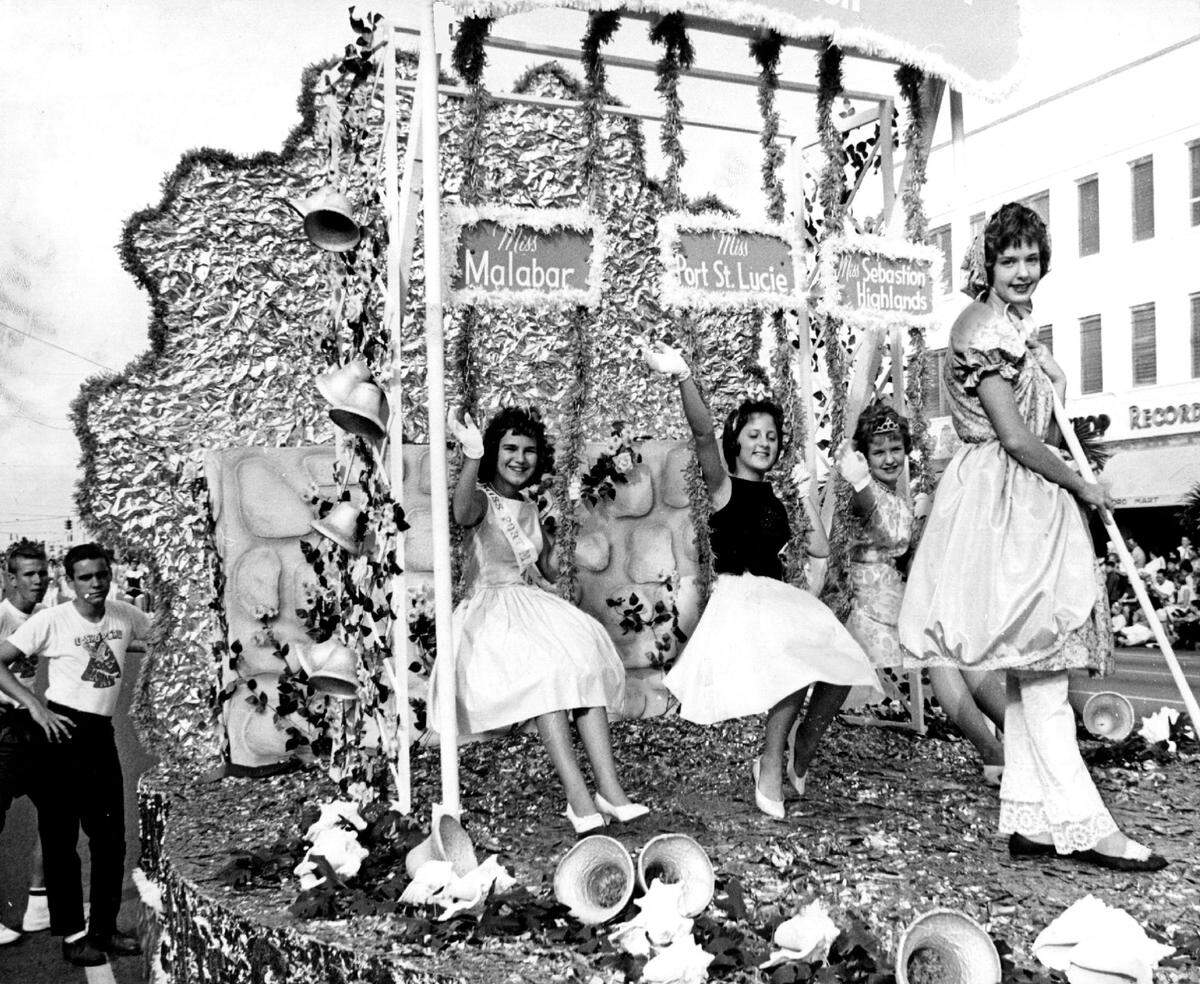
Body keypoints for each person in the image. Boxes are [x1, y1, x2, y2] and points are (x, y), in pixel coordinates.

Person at [899, 202, 1165, 873]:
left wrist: (1057, 383)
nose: (1021, 271)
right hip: (1004, 509)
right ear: (987, 265)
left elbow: (1041, 429)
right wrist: (1082, 484)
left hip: (1026, 504)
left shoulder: (1016, 329)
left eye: (1030, 259)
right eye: (1008, 259)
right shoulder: (980, 328)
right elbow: (1016, 440)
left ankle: (1030, 818)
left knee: (1028, 674)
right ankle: (1091, 828)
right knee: (1044, 669)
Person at [642, 342, 881, 820]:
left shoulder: (777, 498)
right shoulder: (722, 486)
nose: (764, 443)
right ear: (737, 441)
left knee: (845, 663)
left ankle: (801, 747)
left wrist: (803, 492)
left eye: (772, 436)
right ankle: (770, 762)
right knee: (795, 662)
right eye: (754, 434)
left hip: (775, 595)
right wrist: (684, 376)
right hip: (739, 595)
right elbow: (703, 434)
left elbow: (818, 548)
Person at [430, 406, 645, 834]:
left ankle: (609, 791)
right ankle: (578, 799)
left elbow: (548, 569)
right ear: (494, 451)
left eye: (528, 450)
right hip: (490, 609)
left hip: (526, 601)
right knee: (548, 674)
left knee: (583, 659)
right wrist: (471, 456)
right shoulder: (481, 498)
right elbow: (461, 512)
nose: (520, 458)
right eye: (510, 448)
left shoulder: (528, 506)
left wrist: (565, 518)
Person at [835, 404, 1007, 782]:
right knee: (944, 651)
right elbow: (888, 536)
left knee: (959, 648)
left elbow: (909, 552)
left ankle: (1011, 743)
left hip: (897, 600)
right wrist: (860, 481)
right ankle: (995, 749)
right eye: (879, 452)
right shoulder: (862, 492)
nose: (889, 459)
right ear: (865, 458)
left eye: (896, 449)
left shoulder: (893, 494)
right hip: (870, 610)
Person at [0, 542, 152, 966]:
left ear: (111, 575)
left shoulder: (124, 614)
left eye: (102, 575)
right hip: (60, 734)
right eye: (85, 577)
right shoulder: (52, 619)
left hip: (99, 735)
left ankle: (104, 929)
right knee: (61, 839)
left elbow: (159, 636)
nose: (95, 584)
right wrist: (34, 706)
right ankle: (72, 935)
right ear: (69, 582)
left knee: (110, 839)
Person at [0, 541, 51, 946]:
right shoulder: (2, 616)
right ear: (10, 578)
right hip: (1, 726)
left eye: (42, 572)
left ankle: (38, 904)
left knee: (58, 808)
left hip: (29, 725)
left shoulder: (46, 616)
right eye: (29, 574)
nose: (38, 580)